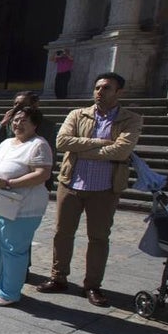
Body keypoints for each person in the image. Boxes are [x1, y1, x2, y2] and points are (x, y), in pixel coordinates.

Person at [38, 72, 143, 307]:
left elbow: (122, 151)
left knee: (98, 238)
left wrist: (81, 150)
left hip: (104, 188)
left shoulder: (131, 119)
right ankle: (58, 277)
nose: (99, 92)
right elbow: (62, 142)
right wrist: (99, 144)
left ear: (118, 92)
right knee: (62, 233)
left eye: (106, 88)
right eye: (97, 87)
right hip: (71, 183)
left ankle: (93, 285)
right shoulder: (78, 114)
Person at [0, 106, 53, 306]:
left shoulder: (38, 145)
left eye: (23, 121)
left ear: (35, 124)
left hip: (22, 207)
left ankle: (10, 292)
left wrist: (10, 183)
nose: (18, 124)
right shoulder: (6, 143)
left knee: (14, 249)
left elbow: (42, 173)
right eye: (16, 120)